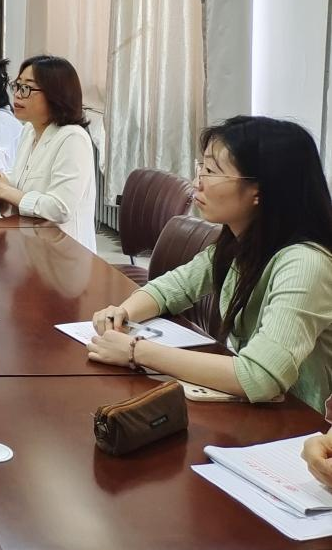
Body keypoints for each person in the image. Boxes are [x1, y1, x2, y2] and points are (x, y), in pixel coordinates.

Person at [90, 116, 332, 412]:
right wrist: (123, 312)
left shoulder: (305, 264)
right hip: (255, 411)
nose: (197, 183)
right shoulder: (241, 241)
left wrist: (135, 350)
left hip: (298, 424)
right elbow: (171, 288)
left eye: (211, 171)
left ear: (259, 189)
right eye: (201, 168)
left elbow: (260, 376)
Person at [0, 56, 98, 251]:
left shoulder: (72, 138)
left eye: (26, 88)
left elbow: (59, 208)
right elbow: (25, 181)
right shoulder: (29, 130)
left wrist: (5, 191)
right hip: (32, 242)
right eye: (17, 86)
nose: (17, 95)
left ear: (55, 94)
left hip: (66, 253)